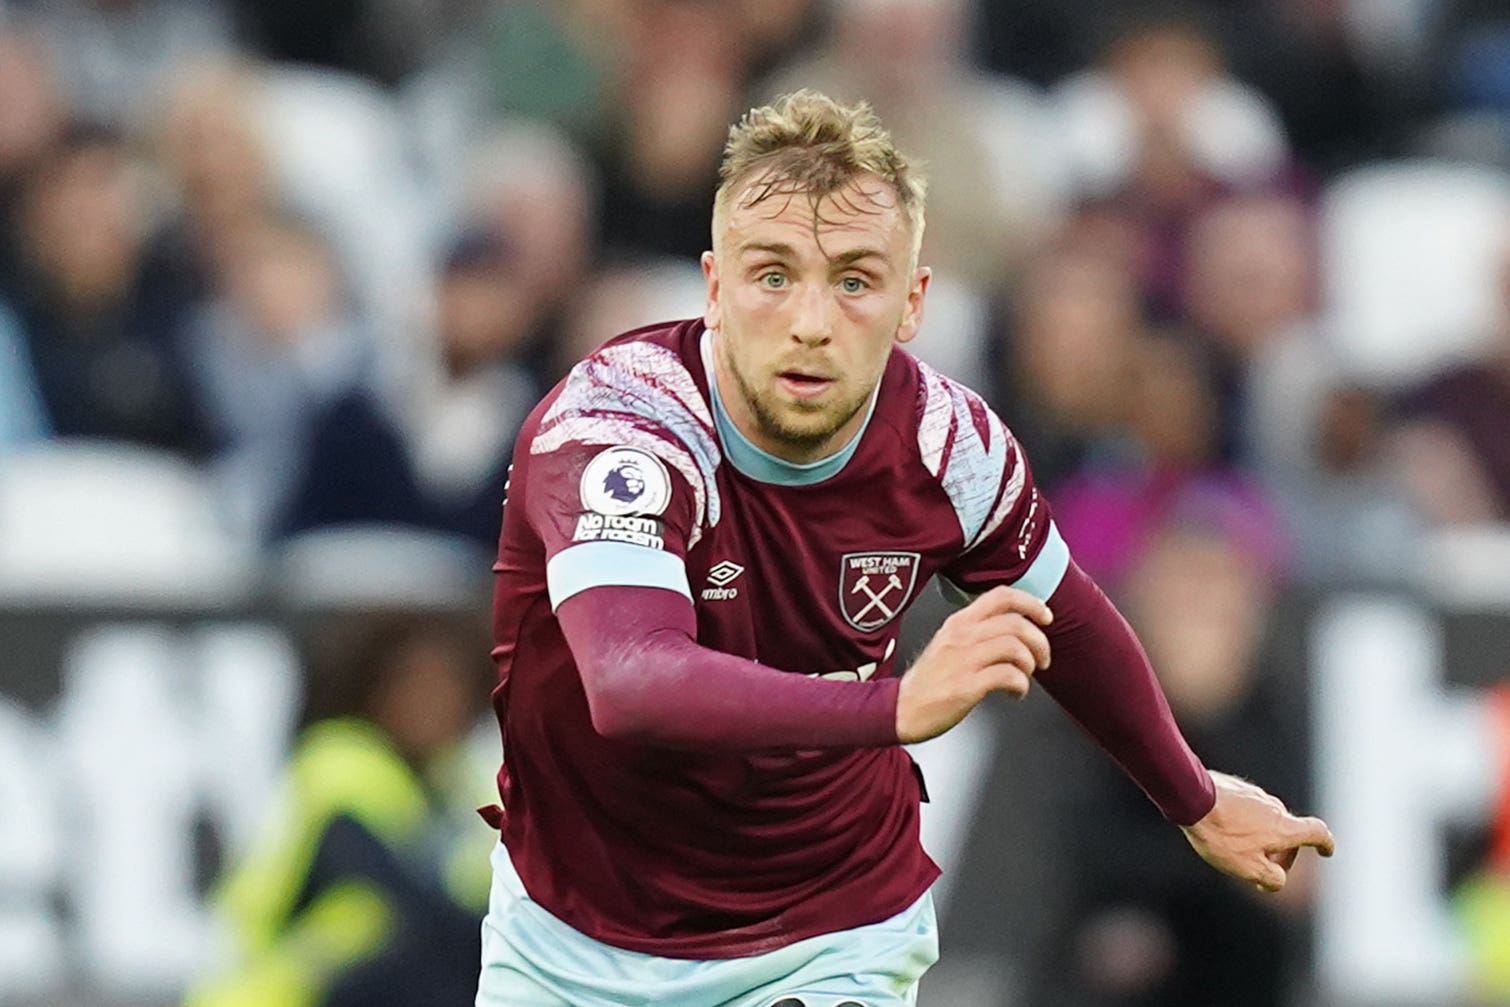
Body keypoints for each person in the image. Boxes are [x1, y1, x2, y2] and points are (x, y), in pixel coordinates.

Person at [478, 90, 1334, 1007]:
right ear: (715, 286)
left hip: (828, 928)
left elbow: (1070, 616)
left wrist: (1194, 799)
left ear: (912, 301)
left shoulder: (948, 444)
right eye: (773, 275)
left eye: (854, 280)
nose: (812, 320)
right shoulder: (623, 427)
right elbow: (629, 679)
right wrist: (895, 706)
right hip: (576, 940)